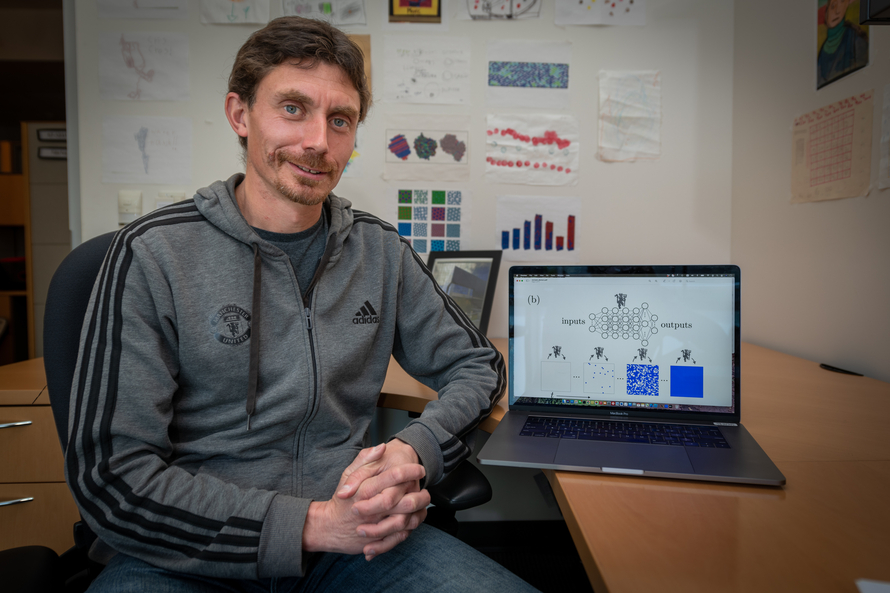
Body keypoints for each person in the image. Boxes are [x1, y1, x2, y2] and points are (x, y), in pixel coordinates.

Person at [66, 16, 536, 592]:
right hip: (191, 550)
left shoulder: (378, 250)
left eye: (340, 120)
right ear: (240, 115)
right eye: (292, 108)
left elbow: (478, 365)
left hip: (357, 546)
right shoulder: (153, 254)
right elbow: (111, 478)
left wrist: (417, 449)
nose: (318, 141)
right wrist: (311, 526)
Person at [817, 0, 868, 88]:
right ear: (826, 12)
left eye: (842, 3)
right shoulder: (822, 52)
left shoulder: (855, 39)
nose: (837, 11)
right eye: (832, 6)